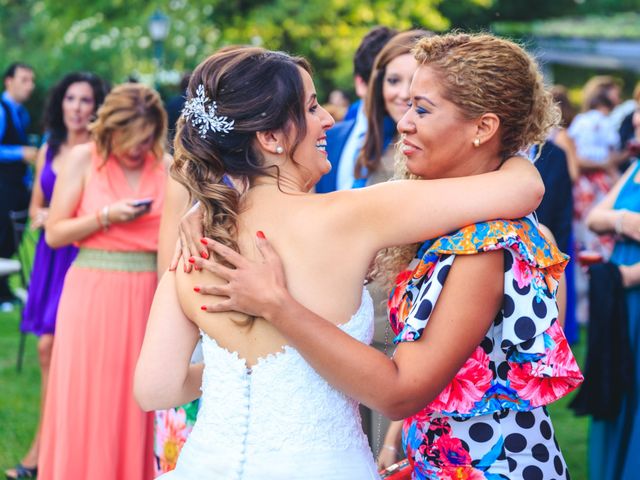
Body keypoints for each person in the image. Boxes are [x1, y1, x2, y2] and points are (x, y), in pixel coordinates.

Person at [134, 44, 549, 479]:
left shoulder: (198, 242)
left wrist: (237, 372)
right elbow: (524, 188)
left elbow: (154, 388)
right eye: (312, 108)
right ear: (271, 138)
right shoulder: (353, 217)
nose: (328, 119)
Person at [38, 83, 168, 480]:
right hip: (92, 292)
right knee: (88, 401)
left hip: (148, 294)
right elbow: (55, 233)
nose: (135, 148)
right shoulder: (83, 159)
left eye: (145, 138)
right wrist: (107, 216)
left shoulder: (166, 167)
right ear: (110, 128)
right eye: (128, 138)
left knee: (139, 399)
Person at [4, 72, 108, 480]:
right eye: (70, 99)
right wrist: (45, 216)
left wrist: (70, 219)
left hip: (83, 256)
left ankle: (47, 453)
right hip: (52, 256)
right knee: (48, 348)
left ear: (96, 107)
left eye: (85, 100)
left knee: (65, 351)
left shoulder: (101, 150)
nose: (77, 108)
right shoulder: (49, 148)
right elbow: (35, 209)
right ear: (60, 104)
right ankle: (45, 449)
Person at [585, 103, 640, 480]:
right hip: (622, 300)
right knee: (616, 386)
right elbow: (594, 216)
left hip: (629, 287)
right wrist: (626, 221)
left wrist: (631, 276)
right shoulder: (636, 169)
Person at [315, 25, 397, 193]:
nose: (402, 93)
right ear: (361, 84)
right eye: (392, 80)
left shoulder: (407, 141)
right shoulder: (327, 138)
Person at [0, 63, 37, 308]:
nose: (30, 86)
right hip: (3, 189)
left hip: (17, 189)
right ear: (8, 81)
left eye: (31, 80)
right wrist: (20, 152)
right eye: (24, 79)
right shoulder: (2, 110)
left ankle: (5, 290)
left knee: (11, 242)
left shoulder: (21, 112)